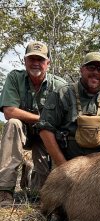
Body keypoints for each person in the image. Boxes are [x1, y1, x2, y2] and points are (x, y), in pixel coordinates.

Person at [37, 52, 100, 167]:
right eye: (91, 67)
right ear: (82, 70)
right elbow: (45, 130)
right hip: (66, 163)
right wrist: (63, 166)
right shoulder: (62, 93)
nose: (96, 72)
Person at [0, 41, 66, 205]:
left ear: (48, 63)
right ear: (25, 61)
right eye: (32, 59)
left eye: (40, 59)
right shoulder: (15, 77)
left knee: (38, 193)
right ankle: (4, 190)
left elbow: (65, 120)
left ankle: (29, 178)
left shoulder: (60, 85)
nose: (36, 63)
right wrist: (42, 119)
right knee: (13, 123)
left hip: (46, 136)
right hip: (22, 131)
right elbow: (9, 111)